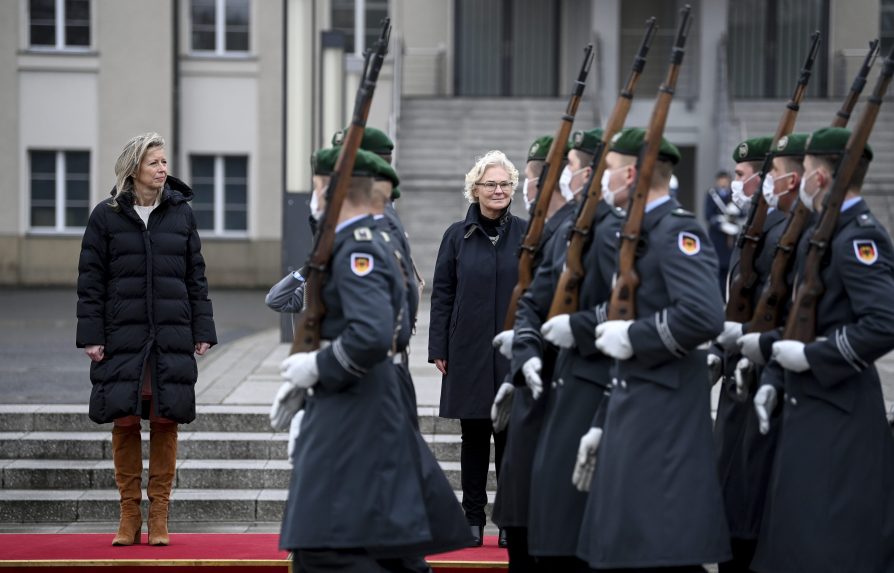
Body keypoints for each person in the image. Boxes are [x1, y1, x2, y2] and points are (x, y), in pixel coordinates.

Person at [274, 148, 456, 571]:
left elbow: (372, 333)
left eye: (319, 188)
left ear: (332, 190)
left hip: (357, 401)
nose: (314, 198)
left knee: (324, 546)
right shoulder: (366, 240)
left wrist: (317, 368)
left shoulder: (360, 247)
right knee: (386, 540)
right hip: (362, 397)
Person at [574, 127, 731, 571]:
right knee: (629, 548)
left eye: (607, 171)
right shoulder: (639, 231)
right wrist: (602, 421)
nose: (601, 180)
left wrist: (633, 336)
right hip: (635, 404)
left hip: (663, 414)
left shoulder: (676, 232)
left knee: (661, 548)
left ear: (631, 175)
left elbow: (704, 315)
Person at [745, 127, 894, 573]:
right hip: (806, 405)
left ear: (822, 179)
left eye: (806, 170)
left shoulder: (857, 238)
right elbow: (803, 319)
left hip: (839, 413)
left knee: (828, 546)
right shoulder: (821, 234)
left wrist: (813, 358)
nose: (801, 178)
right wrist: (773, 370)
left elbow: (885, 321)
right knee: (795, 543)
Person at [76, 132, 217, 547]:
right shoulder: (105, 217)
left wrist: (203, 331)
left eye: (164, 161)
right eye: (155, 162)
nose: (163, 168)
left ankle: (159, 515)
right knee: (123, 418)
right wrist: (92, 336)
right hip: (122, 336)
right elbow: (90, 283)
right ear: (134, 168)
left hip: (170, 334)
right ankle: (128, 515)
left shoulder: (181, 215)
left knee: (165, 419)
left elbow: (196, 277)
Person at [518, 127, 624, 572]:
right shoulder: (572, 227)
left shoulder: (609, 229)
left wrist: (578, 327)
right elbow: (533, 298)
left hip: (591, 383)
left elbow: (623, 307)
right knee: (548, 520)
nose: (569, 177)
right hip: (558, 381)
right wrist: (525, 346)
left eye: (576, 169)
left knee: (570, 526)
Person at [711, 135, 806, 573]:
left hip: (763, 374)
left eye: (744, 175)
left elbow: (781, 305)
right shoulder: (755, 220)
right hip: (739, 374)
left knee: (750, 498)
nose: (736, 183)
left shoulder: (783, 227)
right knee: (732, 493)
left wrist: (750, 342)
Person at [428, 150, 525, 546]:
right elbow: (442, 295)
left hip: (513, 348)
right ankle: (472, 519)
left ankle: (508, 521)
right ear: (476, 189)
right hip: (467, 348)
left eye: (505, 184)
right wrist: (439, 347)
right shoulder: (456, 235)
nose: (498, 190)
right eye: (491, 184)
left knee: (510, 436)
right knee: (474, 435)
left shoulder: (527, 232)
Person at [704, 170, 740, 293]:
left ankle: (728, 293)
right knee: (717, 267)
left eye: (725, 179)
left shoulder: (734, 195)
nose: (723, 182)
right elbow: (708, 215)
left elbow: (742, 213)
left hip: (730, 238)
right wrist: (721, 224)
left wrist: (736, 213)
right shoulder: (712, 194)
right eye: (721, 179)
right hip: (717, 236)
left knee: (730, 266)